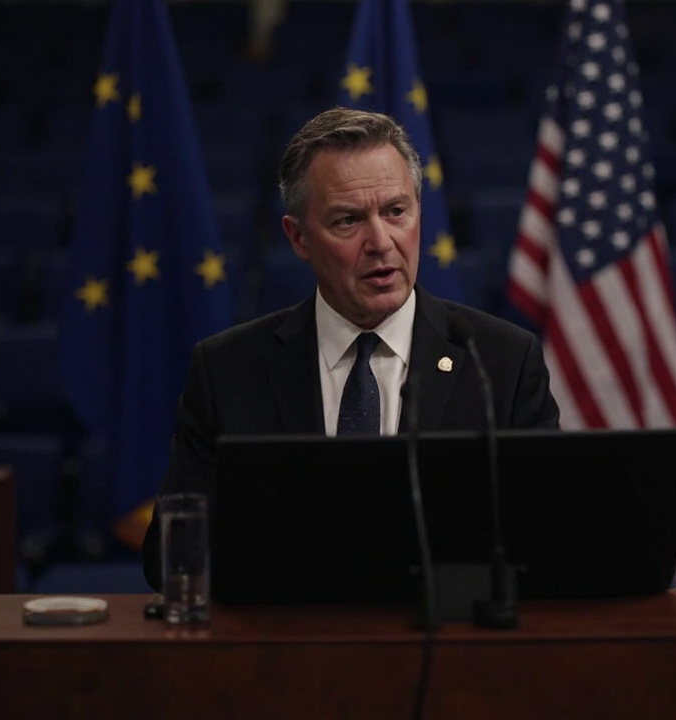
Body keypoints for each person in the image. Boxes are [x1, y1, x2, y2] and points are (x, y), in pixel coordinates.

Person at [142, 107, 559, 589]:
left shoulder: (501, 362)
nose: (380, 242)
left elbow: (549, 541)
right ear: (299, 237)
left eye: (396, 211)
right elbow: (171, 559)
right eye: (348, 220)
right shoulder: (228, 370)